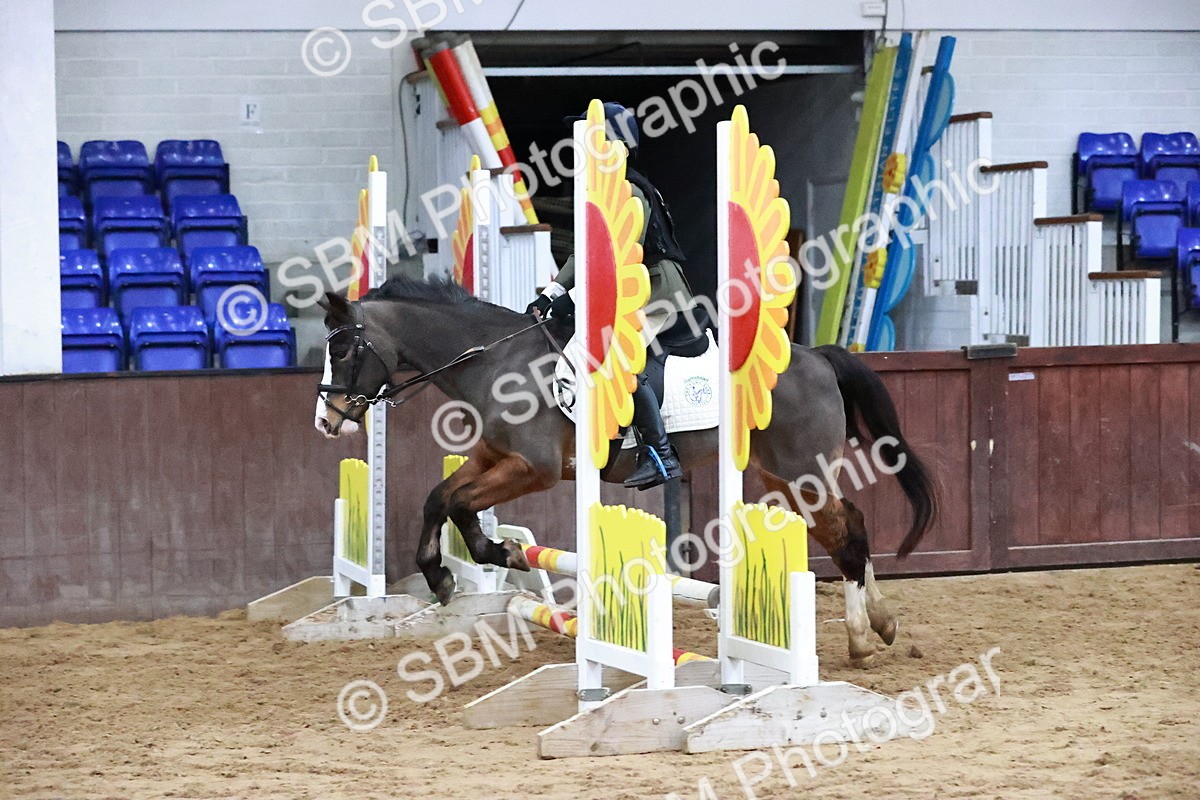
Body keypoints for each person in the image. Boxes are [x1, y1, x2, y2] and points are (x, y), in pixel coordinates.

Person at [526, 101, 699, 490]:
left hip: (656, 290)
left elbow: (622, 258)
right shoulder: (602, 189)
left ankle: (661, 455)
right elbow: (582, 252)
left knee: (618, 360)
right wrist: (552, 293)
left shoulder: (630, 189)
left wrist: (572, 298)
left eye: (591, 139)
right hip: (632, 287)